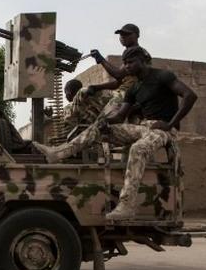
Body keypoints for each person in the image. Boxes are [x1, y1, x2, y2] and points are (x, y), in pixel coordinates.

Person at [32, 47, 197, 220]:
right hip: (143, 127)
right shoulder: (134, 88)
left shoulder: (162, 76)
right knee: (98, 128)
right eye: (125, 63)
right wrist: (105, 123)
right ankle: (57, 153)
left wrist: (170, 123)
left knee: (138, 149)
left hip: (163, 129)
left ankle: (127, 206)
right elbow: (120, 116)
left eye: (131, 62)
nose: (127, 66)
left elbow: (190, 96)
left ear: (143, 59)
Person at [69, 24, 153, 123]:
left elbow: (118, 74)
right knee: (83, 92)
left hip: (129, 95)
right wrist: (95, 87)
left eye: (126, 34)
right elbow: (118, 82)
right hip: (119, 92)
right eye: (121, 35)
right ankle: (72, 123)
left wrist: (101, 60)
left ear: (136, 36)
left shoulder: (140, 54)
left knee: (103, 121)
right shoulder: (127, 54)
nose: (122, 37)